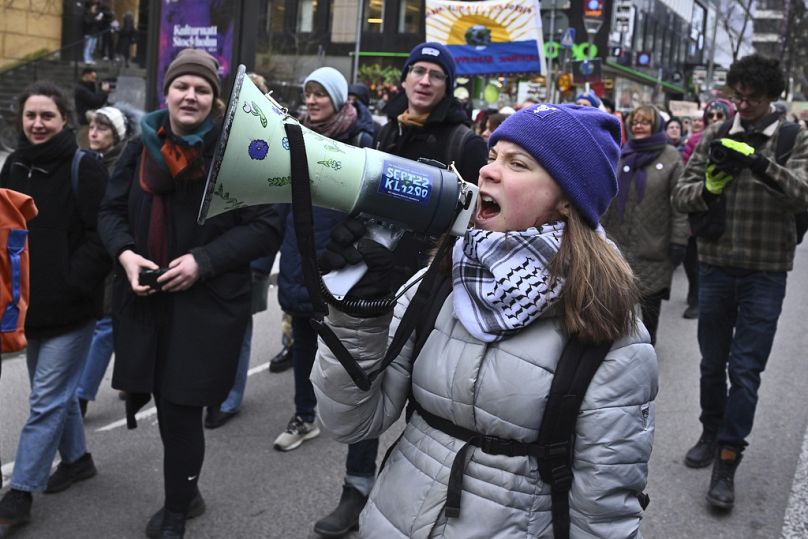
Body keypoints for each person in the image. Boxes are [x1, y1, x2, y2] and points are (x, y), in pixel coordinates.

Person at [311, 103, 657, 537]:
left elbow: (604, 515)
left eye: (517, 164)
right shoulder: (439, 278)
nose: (489, 171)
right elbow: (351, 421)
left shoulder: (611, 329)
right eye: (493, 156)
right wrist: (357, 317)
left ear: (568, 199)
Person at [97, 49, 281, 538]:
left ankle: (177, 511)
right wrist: (125, 253)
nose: (191, 96)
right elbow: (110, 212)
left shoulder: (240, 151)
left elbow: (266, 226)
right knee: (163, 400)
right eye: (182, 86)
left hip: (204, 306)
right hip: (146, 299)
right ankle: (188, 490)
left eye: (202, 89)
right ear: (167, 91)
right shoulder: (140, 146)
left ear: (214, 100)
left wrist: (204, 261)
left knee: (180, 409)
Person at [672, 54, 808, 511]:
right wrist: (709, 187)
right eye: (738, 95)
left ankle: (728, 459)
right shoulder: (716, 132)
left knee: (745, 370)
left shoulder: (793, 137)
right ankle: (711, 431)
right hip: (715, 266)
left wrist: (760, 164)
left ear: (772, 97)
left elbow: (804, 192)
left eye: (753, 97)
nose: (743, 104)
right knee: (712, 363)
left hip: (766, 271)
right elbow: (681, 194)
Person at [264, 66, 376, 538]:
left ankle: (353, 448)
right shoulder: (296, 139)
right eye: (306, 93)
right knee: (304, 351)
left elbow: (369, 212)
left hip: (344, 274)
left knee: (353, 365)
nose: (310, 101)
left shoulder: (363, 142)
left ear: (337, 99)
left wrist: (347, 252)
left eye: (318, 94)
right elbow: (281, 206)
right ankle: (304, 415)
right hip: (300, 263)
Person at [0, 81, 110, 534]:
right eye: (31, 116)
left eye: (47, 116)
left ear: (65, 118)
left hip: (71, 307)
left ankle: (21, 492)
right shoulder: (14, 165)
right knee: (55, 393)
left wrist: (71, 281)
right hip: (27, 308)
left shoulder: (85, 167)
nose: (38, 124)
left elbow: (101, 235)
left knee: (45, 400)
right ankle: (79, 460)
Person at [601, 105, 688, 345]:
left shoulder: (671, 157)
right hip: (617, 243)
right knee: (614, 305)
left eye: (645, 122)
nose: (639, 126)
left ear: (656, 126)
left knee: (649, 311)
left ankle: (647, 352)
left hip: (653, 245)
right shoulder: (622, 153)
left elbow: (679, 203)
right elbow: (606, 196)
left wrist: (679, 240)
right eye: (635, 121)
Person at [75, 105, 138, 417]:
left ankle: (81, 395)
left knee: (106, 325)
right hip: (93, 257)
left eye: (103, 128)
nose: (94, 133)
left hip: (117, 257)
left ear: (117, 135)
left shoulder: (123, 166)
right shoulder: (88, 162)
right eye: (92, 126)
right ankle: (131, 378)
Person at [679, 98, 736, 320]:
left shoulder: (734, 139)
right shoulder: (694, 141)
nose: (713, 120)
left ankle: (704, 297)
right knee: (690, 255)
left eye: (719, 117)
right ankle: (695, 293)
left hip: (723, 208)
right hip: (697, 202)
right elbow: (686, 173)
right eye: (710, 116)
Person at [74, 67, 110, 149]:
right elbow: (95, 101)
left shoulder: (89, 87)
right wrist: (103, 91)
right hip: (85, 122)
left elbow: (99, 102)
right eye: (93, 77)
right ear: (86, 75)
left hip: (90, 121)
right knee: (85, 147)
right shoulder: (80, 89)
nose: (94, 79)